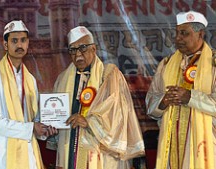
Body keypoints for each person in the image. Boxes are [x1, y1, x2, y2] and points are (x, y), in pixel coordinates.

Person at [54, 26, 145, 169]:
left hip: (101, 154)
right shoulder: (62, 79)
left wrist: (88, 122)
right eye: (73, 50)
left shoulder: (109, 75)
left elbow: (117, 114)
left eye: (83, 48)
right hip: (70, 148)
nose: (78, 54)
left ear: (93, 49)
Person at [146, 11, 216, 169]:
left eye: (184, 33)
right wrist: (163, 102)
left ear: (200, 34)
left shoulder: (213, 63)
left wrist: (190, 97)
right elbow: (151, 104)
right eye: (177, 33)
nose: (178, 38)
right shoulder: (167, 64)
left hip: (206, 146)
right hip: (170, 146)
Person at [0, 20, 57, 169]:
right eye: (14, 41)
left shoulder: (30, 79)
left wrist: (45, 129)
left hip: (28, 152)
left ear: (28, 44)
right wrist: (31, 128)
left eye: (23, 40)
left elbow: (33, 119)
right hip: (4, 153)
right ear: (5, 45)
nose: (19, 45)